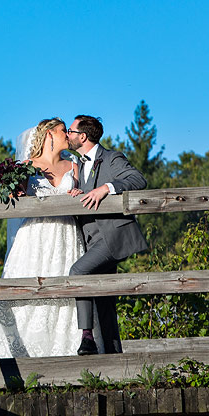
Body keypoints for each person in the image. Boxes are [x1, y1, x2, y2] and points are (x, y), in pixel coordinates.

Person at [0, 118, 99, 359]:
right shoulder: (26, 166)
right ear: (49, 134)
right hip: (34, 237)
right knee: (26, 292)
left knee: (67, 292)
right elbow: (13, 202)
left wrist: (78, 195)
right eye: (64, 131)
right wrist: (16, 191)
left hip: (65, 234)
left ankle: (68, 354)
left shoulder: (73, 165)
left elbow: (83, 198)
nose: (69, 135)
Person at [65, 114, 148, 355]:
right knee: (104, 301)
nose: (68, 135)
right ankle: (114, 357)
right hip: (91, 239)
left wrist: (107, 188)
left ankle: (87, 338)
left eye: (70, 131)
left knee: (78, 271)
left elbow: (138, 179)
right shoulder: (78, 163)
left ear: (83, 136)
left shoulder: (111, 158)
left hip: (112, 237)